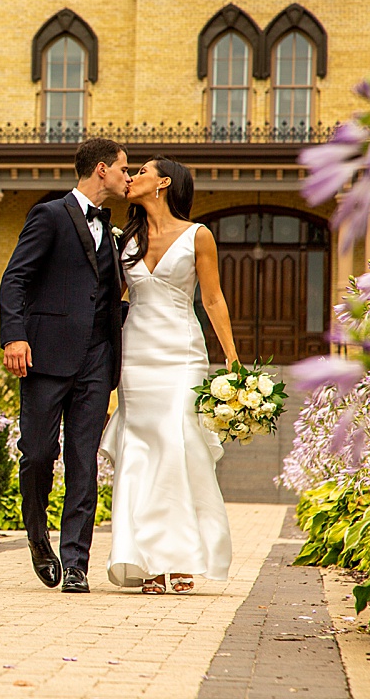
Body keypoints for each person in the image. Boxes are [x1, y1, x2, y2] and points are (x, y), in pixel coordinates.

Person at [99, 156, 239, 595]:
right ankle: (145, 561)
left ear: (163, 183)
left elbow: (213, 300)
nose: (132, 176)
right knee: (141, 451)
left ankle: (178, 558)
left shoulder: (199, 236)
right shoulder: (126, 240)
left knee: (178, 446)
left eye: (140, 171)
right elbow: (107, 299)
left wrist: (232, 359)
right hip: (137, 353)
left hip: (182, 354)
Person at [0, 138, 132, 594]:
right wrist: (14, 335)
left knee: (84, 462)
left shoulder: (113, 230)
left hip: (97, 359)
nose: (127, 177)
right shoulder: (50, 215)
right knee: (37, 454)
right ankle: (38, 538)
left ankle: (77, 562)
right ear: (101, 169)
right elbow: (15, 278)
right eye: (123, 169)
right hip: (47, 354)